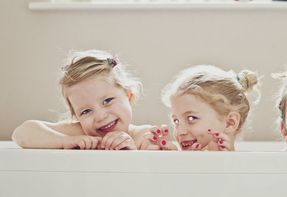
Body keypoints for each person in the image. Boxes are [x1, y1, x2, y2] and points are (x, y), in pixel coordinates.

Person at [12, 50, 175, 150]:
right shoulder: (80, 134)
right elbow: (22, 133)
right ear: (76, 116)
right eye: (86, 111)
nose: (100, 116)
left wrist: (137, 149)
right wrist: (66, 141)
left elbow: (156, 166)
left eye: (107, 101)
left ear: (129, 96)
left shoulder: (141, 136)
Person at [160, 65, 261, 151]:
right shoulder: (176, 161)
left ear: (230, 122)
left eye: (191, 118)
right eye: (176, 121)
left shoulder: (244, 168)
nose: (180, 132)